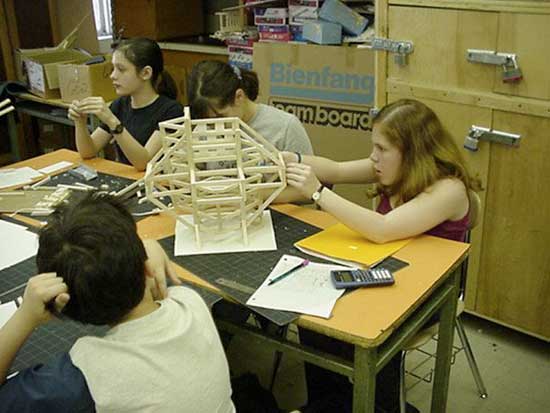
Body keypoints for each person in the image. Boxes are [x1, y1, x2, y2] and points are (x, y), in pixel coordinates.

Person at [281, 99, 482, 413]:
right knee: (314, 322)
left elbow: (382, 229)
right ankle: (332, 404)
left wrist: (318, 192)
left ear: (413, 151)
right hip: (386, 274)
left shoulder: (449, 189)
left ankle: (378, 406)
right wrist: (288, 159)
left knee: (370, 335)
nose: (373, 157)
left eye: (382, 148)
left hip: (430, 294)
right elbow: (334, 168)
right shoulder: (396, 168)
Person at [0, 192, 235, 413]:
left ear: (66, 305)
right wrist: (147, 250)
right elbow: (161, 291)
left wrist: (25, 317)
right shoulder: (189, 301)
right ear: (146, 268)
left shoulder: (83, 377)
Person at [68, 38, 184, 171]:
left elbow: (144, 163)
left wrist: (113, 123)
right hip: (129, 179)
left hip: (156, 185)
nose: (112, 75)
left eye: (121, 69)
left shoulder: (172, 111)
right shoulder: (120, 105)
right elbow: (88, 152)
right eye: (113, 68)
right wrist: (80, 122)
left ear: (146, 73)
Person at [187, 60, 314, 156]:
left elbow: (308, 184)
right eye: (209, 123)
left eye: (221, 117)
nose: (216, 128)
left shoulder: (285, 128)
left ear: (239, 96)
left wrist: (256, 192)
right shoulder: (203, 128)